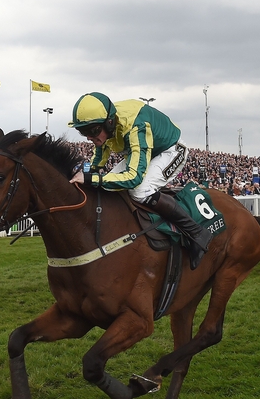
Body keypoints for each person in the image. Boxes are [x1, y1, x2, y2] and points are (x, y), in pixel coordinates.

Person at [68, 92, 211, 269]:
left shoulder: (135, 126)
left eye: (92, 131)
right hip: (147, 151)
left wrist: (93, 179)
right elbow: (99, 158)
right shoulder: (104, 126)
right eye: (83, 132)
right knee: (107, 185)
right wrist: (85, 174)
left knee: (140, 190)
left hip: (170, 150)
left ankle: (197, 233)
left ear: (109, 122)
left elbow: (133, 178)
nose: (89, 137)